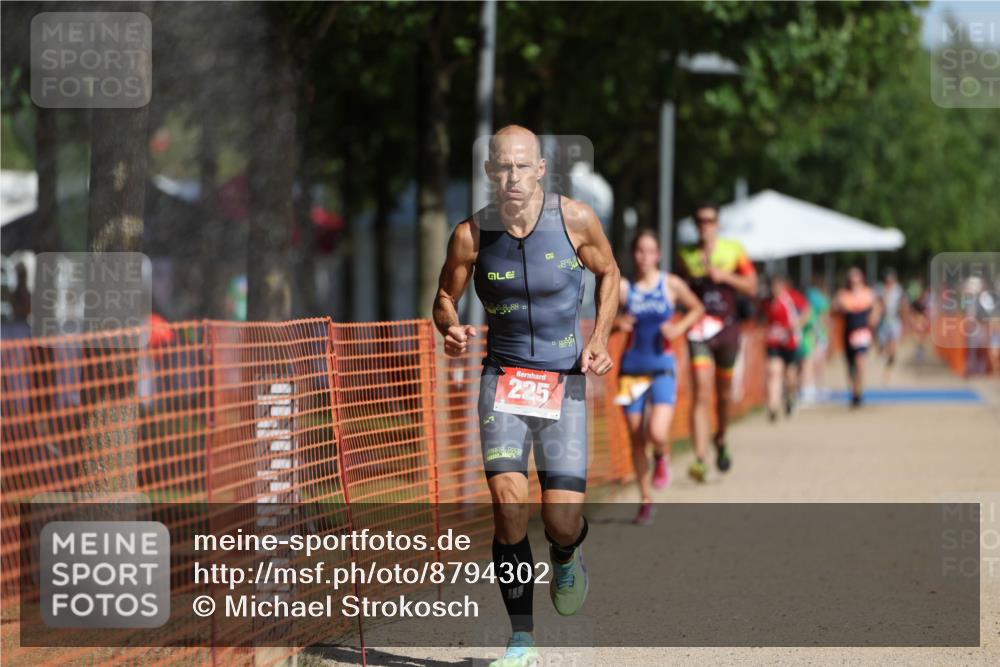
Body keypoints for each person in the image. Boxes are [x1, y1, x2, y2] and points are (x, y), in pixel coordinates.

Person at [433, 125, 619, 667]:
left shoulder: (576, 219)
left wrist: (600, 337)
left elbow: (610, 273)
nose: (512, 176)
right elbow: (445, 295)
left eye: (522, 166)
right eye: (502, 167)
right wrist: (449, 326)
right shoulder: (470, 235)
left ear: (540, 170)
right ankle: (521, 640)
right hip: (504, 385)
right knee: (508, 507)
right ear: (490, 173)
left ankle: (566, 553)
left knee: (560, 520)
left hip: (565, 382)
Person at [613, 229, 704, 524]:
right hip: (631, 368)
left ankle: (662, 456)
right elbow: (605, 320)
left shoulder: (670, 284)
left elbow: (697, 308)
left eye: (650, 251)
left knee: (657, 432)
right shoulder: (624, 288)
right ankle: (645, 499)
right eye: (639, 251)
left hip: (662, 365)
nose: (644, 257)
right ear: (633, 254)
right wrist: (617, 323)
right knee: (636, 436)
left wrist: (678, 329)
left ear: (658, 254)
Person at [676, 202, 758, 483]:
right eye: (700, 220)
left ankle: (721, 437)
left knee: (723, 395)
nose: (705, 225)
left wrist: (725, 276)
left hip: (728, 330)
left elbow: (752, 286)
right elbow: (679, 290)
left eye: (710, 220)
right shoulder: (686, 255)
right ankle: (700, 458)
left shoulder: (733, 250)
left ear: (718, 224)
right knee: (700, 391)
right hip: (699, 330)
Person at [762, 274, 810, 421]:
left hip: (791, 342)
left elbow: (807, 311)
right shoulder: (767, 302)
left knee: (790, 376)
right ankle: (773, 406)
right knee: (773, 372)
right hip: (774, 343)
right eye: (771, 286)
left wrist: (796, 324)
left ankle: (790, 398)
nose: (773, 289)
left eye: (776, 286)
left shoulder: (792, 297)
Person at [833, 267, 881, 408]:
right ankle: (853, 391)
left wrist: (874, 318)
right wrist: (838, 306)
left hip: (862, 331)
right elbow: (834, 309)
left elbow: (877, 308)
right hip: (848, 331)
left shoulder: (868, 293)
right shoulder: (843, 294)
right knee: (850, 365)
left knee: (860, 362)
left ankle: (858, 390)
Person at [800, 277, 830, 405]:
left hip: (808, 334)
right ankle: (813, 388)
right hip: (817, 335)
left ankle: (809, 388)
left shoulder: (806, 297)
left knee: (808, 362)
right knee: (814, 362)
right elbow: (825, 318)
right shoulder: (821, 300)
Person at [876, 269, 907, 382]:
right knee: (882, 346)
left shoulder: (899, 290)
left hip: (894, 321)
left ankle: (888, 371)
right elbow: (877, 305)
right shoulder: (880, 289)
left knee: (893, 349)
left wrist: (905, 323)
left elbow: (903, 306)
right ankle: (883, 354)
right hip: (883, 321)